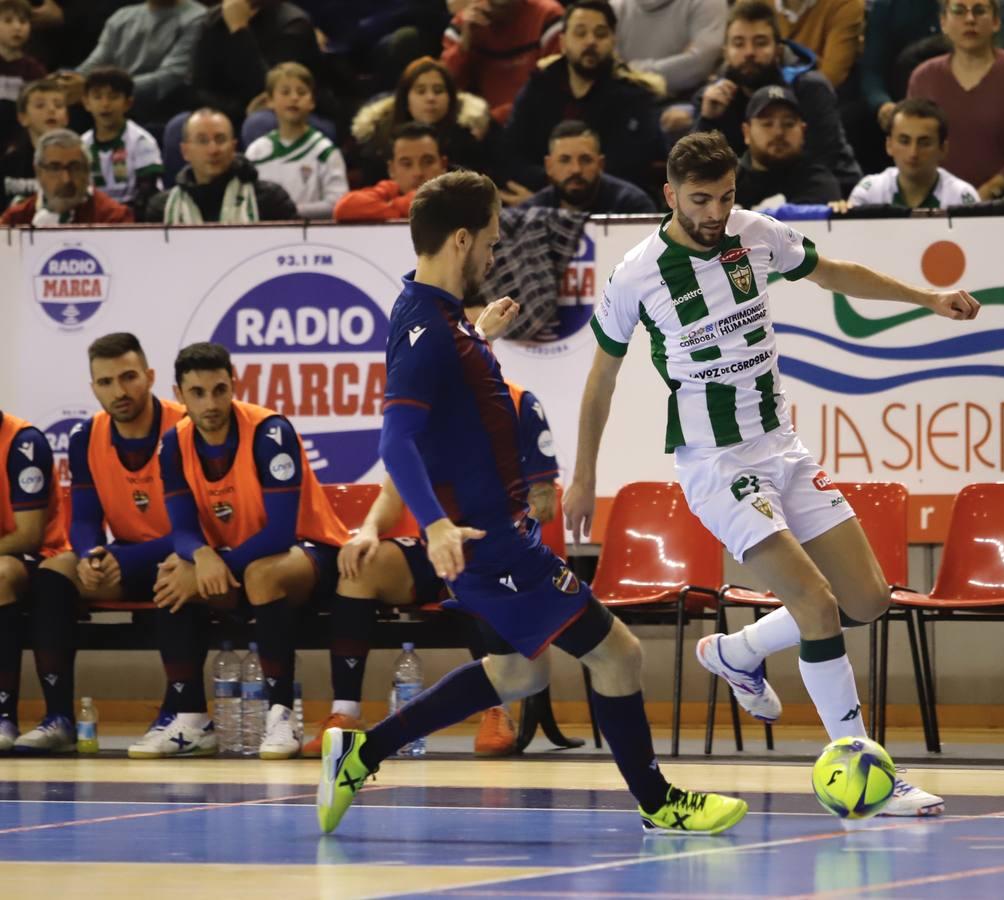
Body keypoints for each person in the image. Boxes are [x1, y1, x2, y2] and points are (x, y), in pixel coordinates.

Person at [316, 168, 749, 837]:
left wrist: (477, 335)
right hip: (492, 544)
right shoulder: (431, 334)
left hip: (493, 536)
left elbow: (446, 394)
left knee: (520, 672)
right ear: (461, 240)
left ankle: (361, 752)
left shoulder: (433, 317)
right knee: (619, 654)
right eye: (490, 239)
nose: (494, 252)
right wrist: (432, 526)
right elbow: (397, 440)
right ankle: (659, 801)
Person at [565, 131, 978, 817]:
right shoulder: (637, 273)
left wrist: (928, 298)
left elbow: (836, 272)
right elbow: (601, 380)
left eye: (726, 196)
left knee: (868, 600)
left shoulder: (754, 234)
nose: (715, 211)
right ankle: (866, 771)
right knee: (816, 606)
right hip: (716, 464)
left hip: (782, 448)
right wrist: (585, 475)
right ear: (669, 195)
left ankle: (737, 651)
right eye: (700, 199)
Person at [305, 372, 560, 759]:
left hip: (492, 550)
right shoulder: (422, 413)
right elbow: (391, 496)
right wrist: (369, 531)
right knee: (360, 566)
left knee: (481, 566)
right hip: (434, 550)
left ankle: (496, 710)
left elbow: (543, 505)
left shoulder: (515, 406)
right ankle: (345, 714)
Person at [157, 341, 349, 760]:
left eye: (219, 390)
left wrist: (213, 563)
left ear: (233, 386)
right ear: (179, 395)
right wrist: (202, 558)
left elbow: (280, 532)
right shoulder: (173, 444)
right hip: (238, 562)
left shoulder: (270, 432)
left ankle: (282, 717)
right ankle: (190, 718)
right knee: (172, 579)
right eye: (197, 392)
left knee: (261, 574)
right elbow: (182, 532)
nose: (210, 402)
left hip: (311, 554)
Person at [39, 333, 216, 758]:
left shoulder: (185, 426)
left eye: (129, 377)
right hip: (123, 562)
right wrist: (90, 556)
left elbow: (203, 527)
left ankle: (180, 711)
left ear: (150, 376)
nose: (119, 391)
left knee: (174, 573)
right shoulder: (86, 437)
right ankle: (58, 718)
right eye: (106, 382)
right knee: (53, 574)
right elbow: (82, 519)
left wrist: (125, 557)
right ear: (93, 388)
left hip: (185, 555)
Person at [693, 1, 860, 198]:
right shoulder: (714, 98)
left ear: (778, 50)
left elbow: (823, 157)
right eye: (739, 43)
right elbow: (697, 171)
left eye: (760, 42)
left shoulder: (810, 88)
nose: (749, 52)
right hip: (746, 193)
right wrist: (707, 119)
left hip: (827, 191)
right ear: (726, 52)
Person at [503, 0, 666, 199]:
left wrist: (548, 200)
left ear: (613, 41)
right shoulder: (538, 87)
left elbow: (628, 167)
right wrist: (547, 196)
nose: (590, 41)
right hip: (538, 196)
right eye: (580, 33)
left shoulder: (634, 96)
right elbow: (510, 154)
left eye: (600, 34)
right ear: (562, 42)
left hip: (612, 205)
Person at [907, 1, 1004, 199]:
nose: (969, 19)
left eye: (979, 11)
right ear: (943, 22)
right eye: (958, 11)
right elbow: (911, 142)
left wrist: (992, 188)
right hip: (939, 205)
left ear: (996, 22)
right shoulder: (924, 77)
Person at [0, 403, 69, 754]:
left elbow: (29, 535)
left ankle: (3, 716)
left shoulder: (23, 442)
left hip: (42, 559)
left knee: (0, 575)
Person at [350, 56, 493, 190]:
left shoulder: (469, 140)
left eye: (438, 91)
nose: (430, 98)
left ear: (451, 99)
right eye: (421, 91)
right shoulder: (379, 143)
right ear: (406, 99)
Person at [69, 0, 208, 128]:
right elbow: (97, 60)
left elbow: (170, 76)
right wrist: (71, 81)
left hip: (159, 110)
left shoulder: (197, 17)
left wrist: (109, 90)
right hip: (110, 99)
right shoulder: (122, 16)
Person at [145, 107, 297, 223]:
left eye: (220, 139)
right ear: (185, 151)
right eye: (202, 141)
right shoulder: (162, 208)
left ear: (233, 147)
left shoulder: (270, 200)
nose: (213, 150)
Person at [192, 0, 322, 126]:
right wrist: (233, 113)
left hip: (291, 115)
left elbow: (272, 91)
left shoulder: (292, 24)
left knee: (259, 122)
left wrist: (239, 31)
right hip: (232, 112)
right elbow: (198, 88)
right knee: (183, 124)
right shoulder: (214, 20)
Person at [244, 62, 347, 219]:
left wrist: (290, 211)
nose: (294, 98)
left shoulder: (325, 151)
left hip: (311, 236)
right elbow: (244, 200)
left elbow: (338, 203)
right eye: (285, 92)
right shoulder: (256, 152)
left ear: (312, 102)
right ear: (269, 101)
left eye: (301, 92)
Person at [439, 0, 564, 128]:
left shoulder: (547, 15)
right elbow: (443, 86)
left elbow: (556, 84)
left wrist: (495, 118)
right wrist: (464, 45)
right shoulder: (465, 22)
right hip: (476, 127)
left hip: (533, 122)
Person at [847, 98, 979, 209]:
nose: (913, 153)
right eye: (904, 141)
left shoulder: (962, 197)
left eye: (924, 143)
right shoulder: (869, 192)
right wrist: (837, 217)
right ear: (889, 145)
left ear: (943, 149)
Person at [735, 84, 841, 207]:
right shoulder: (727, 181)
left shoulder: (819, 184)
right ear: (746, 132)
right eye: (767, 123)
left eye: (789, 124)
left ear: (803, 130)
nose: (778, 132)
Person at [79, 65, 162, 219]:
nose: (105, 104)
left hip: (132, 216)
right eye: (97, 97)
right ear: (86, 103)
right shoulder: (81, 145)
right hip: (94, 216)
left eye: (113, 96)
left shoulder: (141, 141)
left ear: (128, 103)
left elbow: (147, 192)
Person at [520, 120, 655, 214]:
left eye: (586, 160)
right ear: (548, 166)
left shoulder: (633, 207)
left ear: (600, 164)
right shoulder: (531, 213)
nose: (576, 169)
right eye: (564, 160)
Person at [2, 127, 132, 223]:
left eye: (75, 168)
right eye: (55, 168)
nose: (66, 179)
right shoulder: (16, 220)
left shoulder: (114, 218)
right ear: (38, 172)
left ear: (88, 170)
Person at [333, 122, 445, 222]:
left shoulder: (459, 196)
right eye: (406, 164)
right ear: (392, 170)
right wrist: (403, 206)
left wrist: (392, 207)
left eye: (428, 162)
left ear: (443, 165)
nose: (418, 172)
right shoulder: (389, 190)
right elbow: (344, 208)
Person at [612, 0, 725, 99]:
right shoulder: (615, 6)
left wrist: (629, 72)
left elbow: (700, 62)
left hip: (685, 106)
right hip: (623, 100)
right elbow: (609, 69)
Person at [0, 75, 63, 206]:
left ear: (67, 117)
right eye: (40, 105)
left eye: (58, 105)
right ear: (23, 118)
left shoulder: (82, 159)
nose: (52, 110)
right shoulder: (8, 164)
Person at [775, 0, 864, 89]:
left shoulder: (846, 4)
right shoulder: (765, 3)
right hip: (770, 92)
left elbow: (832, 75)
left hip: (819, 95)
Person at [0, 0, 47, 152]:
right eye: (8, 21)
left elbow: (35, 115)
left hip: (16, 146)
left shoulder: (34, 70)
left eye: (23, 21)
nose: (17, 27)